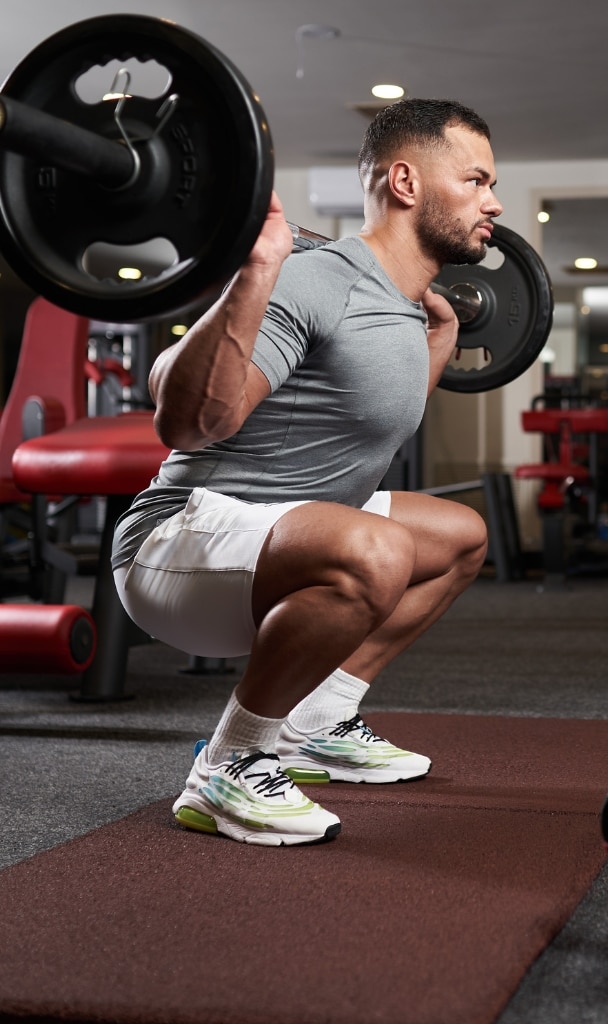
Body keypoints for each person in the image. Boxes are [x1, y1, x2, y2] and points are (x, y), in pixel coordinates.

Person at [111, 98, 501, 846]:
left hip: (275, 541)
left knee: (458, 536)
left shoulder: (405, 308)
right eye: (477, 180)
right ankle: (231, 762)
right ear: (406, 183)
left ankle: (315, 721)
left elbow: (362, 435)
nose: (494, 202)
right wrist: (259, 268)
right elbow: (193, 423)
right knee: (376, 549)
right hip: (178, 544)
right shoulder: (318, 279)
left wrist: (439, 342)